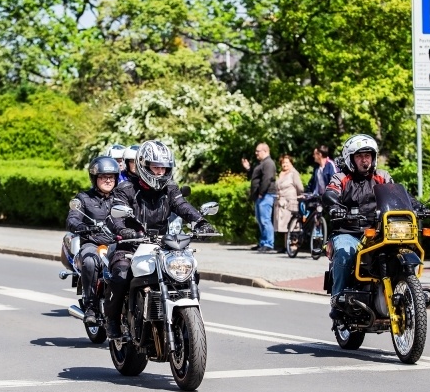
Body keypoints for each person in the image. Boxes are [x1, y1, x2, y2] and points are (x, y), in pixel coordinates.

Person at [104, 140, 217, 339]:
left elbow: (183, 206)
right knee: (121, 276)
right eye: (155, 167)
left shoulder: (170, 189)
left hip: (161, 245)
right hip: (130, 245)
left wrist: (200, 223)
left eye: (163, 168)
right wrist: (125, 231)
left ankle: (185, 318)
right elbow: (115, 214)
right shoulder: (126, 189)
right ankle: (112, 319)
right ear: (144, 165)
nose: (159, 172)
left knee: (188, 271)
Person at [325, 134, 392, 323]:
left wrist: (416, 205)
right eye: (360, 156)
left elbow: (396, 194)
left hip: (377, 231)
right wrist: (335, 207)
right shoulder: (341, 177)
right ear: (351, 158)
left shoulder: (383, 176)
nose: (365, 160)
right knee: (346, 253)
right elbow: (331, 192)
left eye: (368, 155)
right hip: (349, 231)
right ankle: (338, 301)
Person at [65, 156, 119, 324]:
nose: (108, 180)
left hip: (118, 243)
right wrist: (81, 227)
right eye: (104, 177)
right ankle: (91, 306)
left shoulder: (121, 197)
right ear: (95, 178)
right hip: (93, 242)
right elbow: (72, 219)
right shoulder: (83, 198)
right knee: (89, 261)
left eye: (111, 177)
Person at [242, 142, 277, 252]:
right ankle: (263, 242)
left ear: (265, 151)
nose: (256, 153)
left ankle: (269, 244)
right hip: (260, 196)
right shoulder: (262, 163)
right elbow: (255, 177)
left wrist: (261, 192)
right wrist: (248, 169)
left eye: (258, 151)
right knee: (261, 220)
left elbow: (267, 179)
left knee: (265, 220)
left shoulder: (269, 163)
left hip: (266, 195)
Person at [273, 154, 304, 250]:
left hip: (290, 202)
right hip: (281, 202)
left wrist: (298, 197)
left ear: (291, 163)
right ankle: (285, 245)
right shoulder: (281, 173)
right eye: (283, 163)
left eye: (286, 162)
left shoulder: (294, 173)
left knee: (292, 224)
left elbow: (300, 188)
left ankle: (293, 245)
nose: (284, 164)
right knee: (284, 226)